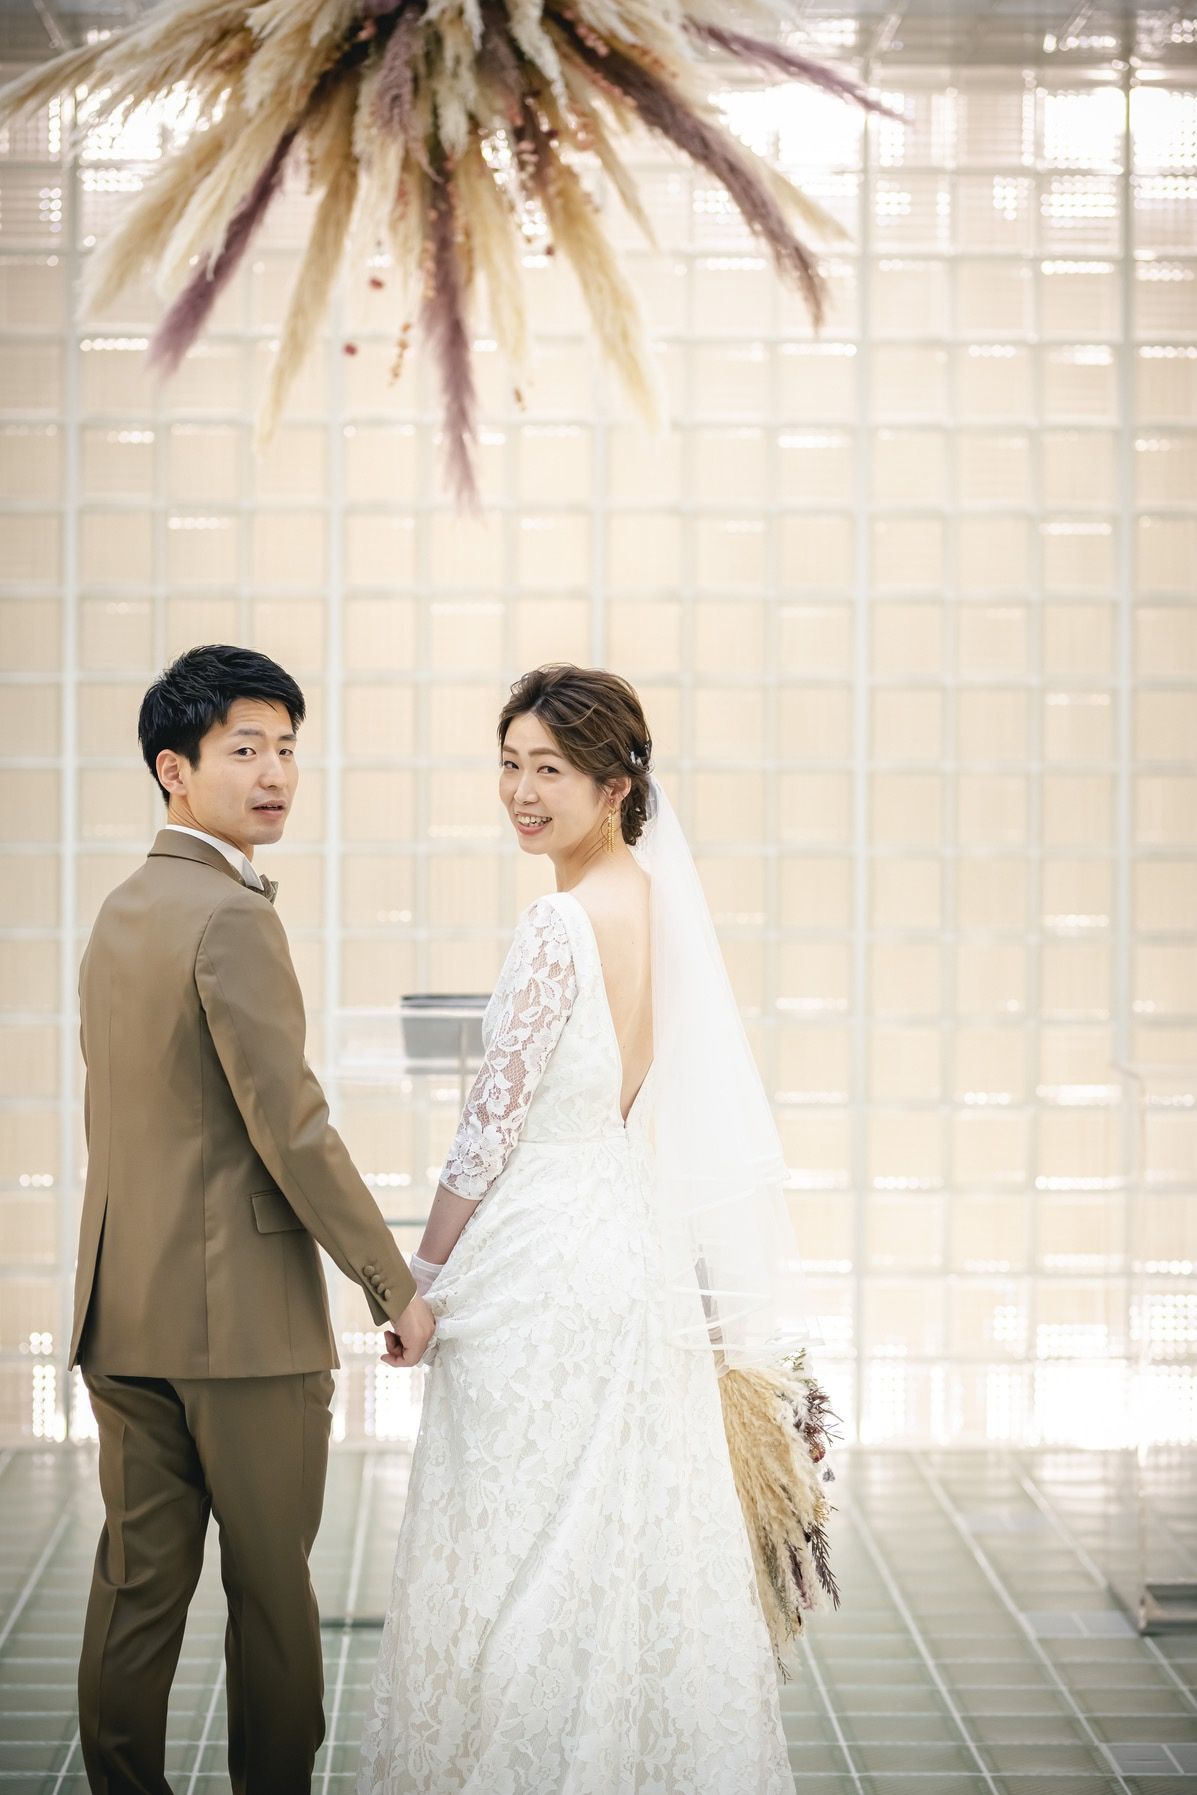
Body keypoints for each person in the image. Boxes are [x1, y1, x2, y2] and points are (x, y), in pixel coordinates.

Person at [359, 663, 800, 1795]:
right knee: (610, 1544)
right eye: (509, 765)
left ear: (615, 786)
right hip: (629, 1248)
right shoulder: (658, 904)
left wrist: (420, 1274)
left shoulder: (559, 922)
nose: (521, 791)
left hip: (541, 1261)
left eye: (549, 769)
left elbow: (488, 1127)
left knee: (513, 1547)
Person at [72, 644, 434, 1795]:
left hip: (122, 1313)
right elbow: (295, 1128)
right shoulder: (232, 917)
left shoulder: (120, 912)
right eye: (245, 749)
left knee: (135, 1593)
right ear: (174, 769)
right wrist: (392, 1282)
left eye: (286, 748)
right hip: (241, 1334)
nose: (275, 773)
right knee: (272, 1595)